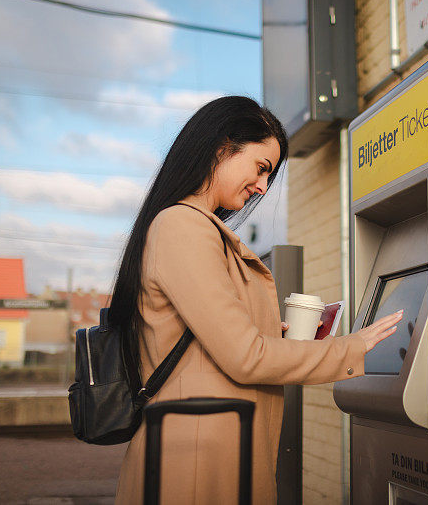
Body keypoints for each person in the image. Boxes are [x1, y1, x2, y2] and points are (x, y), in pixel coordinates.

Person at [111, 96, 401, 504]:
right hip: (198, 460)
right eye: (261, 168)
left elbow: (219, 340)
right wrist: (352, 348)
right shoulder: (182, 226)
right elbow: (245, 357)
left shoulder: (196, 228)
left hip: (211, 445)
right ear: (220, 148)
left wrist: (270, 330)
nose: (263, 187)